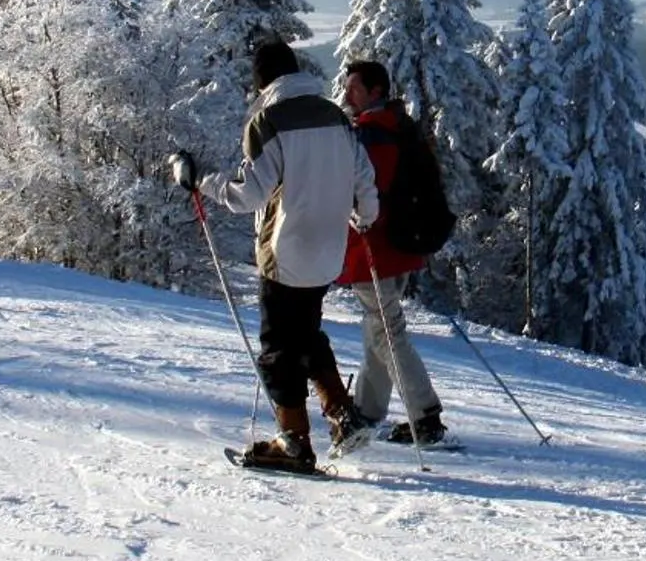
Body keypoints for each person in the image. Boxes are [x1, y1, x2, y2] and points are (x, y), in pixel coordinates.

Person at [177, 40, 381, 472]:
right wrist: (364, 216)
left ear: (262, 81)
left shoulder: (268, 121)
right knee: (305, 333)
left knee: (276, 347)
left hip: (285, 250)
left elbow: (250, 196)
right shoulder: (336, 117)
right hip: (330, 249)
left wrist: (205, 183)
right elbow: (365, 179)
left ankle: (293, 441)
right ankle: (343, 415)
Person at [337, 60, 449, 446]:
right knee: (378, 330)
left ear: (375, 92)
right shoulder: (397, 128)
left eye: (354, 88)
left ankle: (425, 416)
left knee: (388, 333)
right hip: (398, 249)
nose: (347, 94)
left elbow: (368, 195)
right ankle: (367, 411)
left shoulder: (373, 135)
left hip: (377, 250)